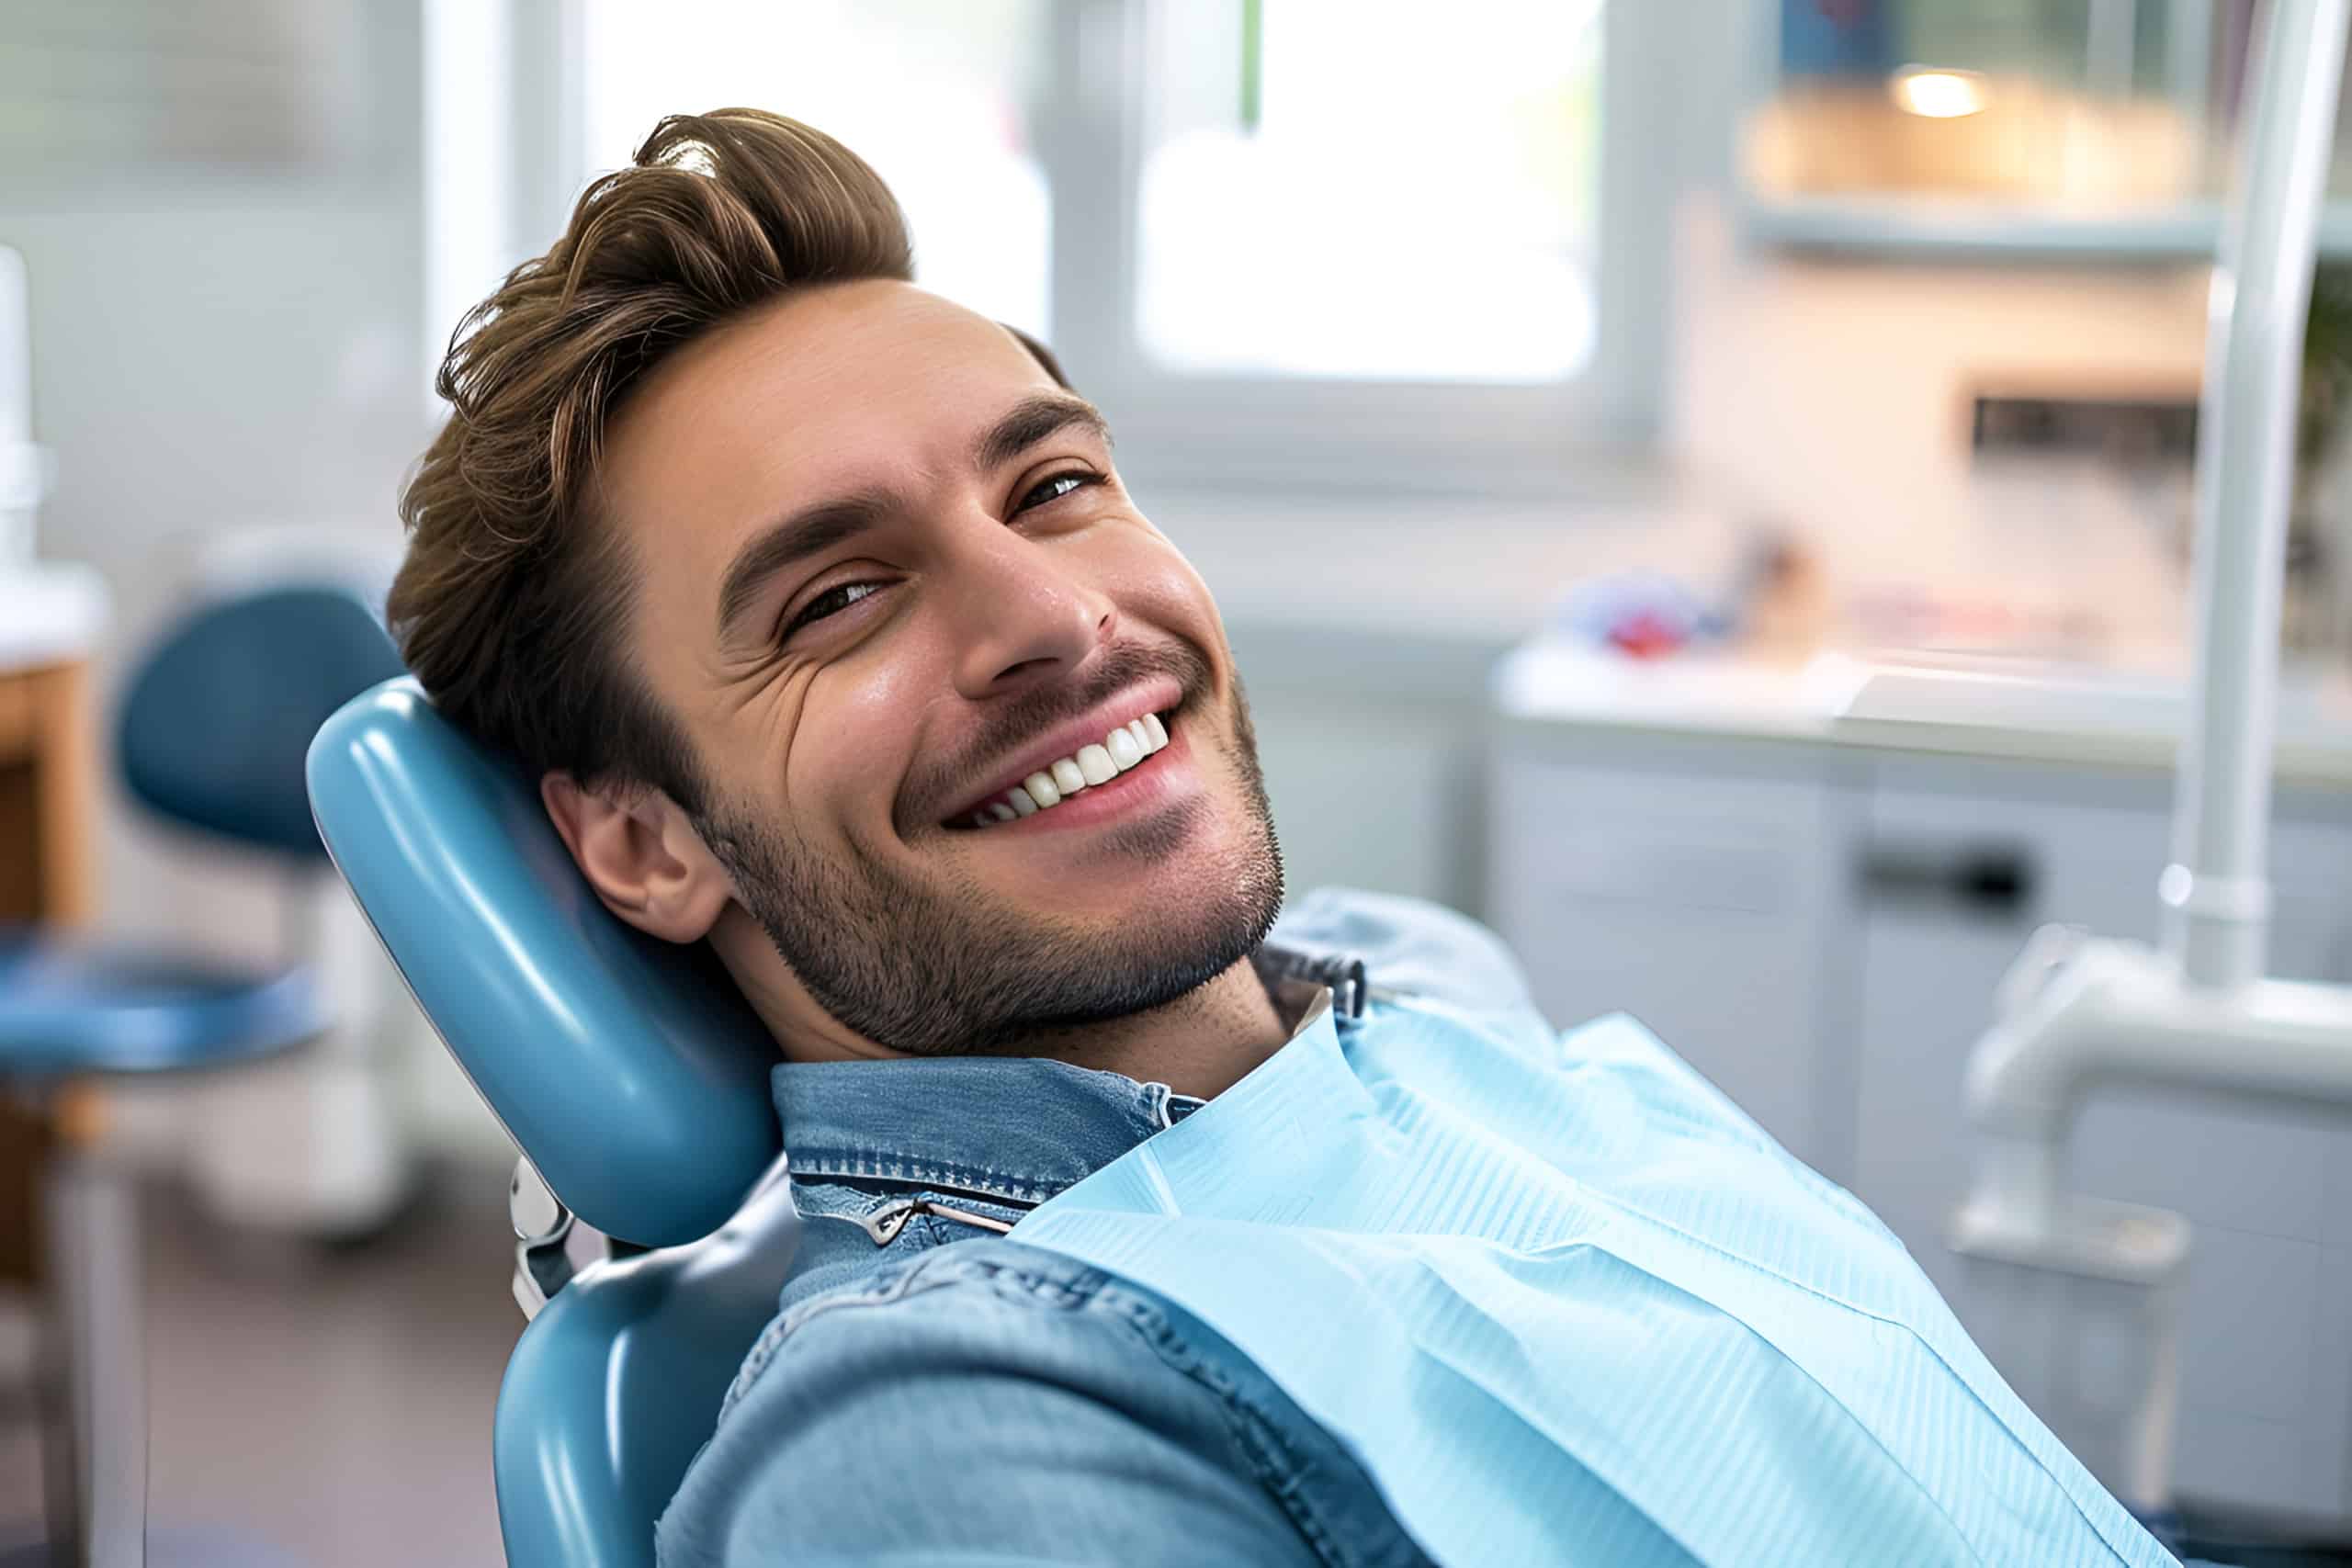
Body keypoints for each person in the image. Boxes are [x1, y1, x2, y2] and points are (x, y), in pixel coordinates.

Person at [390, 111, 2177, 1567]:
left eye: (1056, 485)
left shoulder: (1417, 986)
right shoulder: (948, 1422)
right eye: (840, 595)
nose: (1052, 615)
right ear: (639, 842)